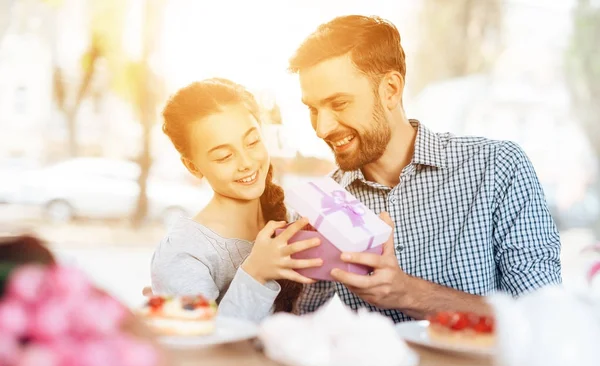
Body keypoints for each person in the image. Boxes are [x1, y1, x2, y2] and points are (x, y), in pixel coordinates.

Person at [289, 15, 562, 323]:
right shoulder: (320, 206)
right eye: (312, 109)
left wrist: (408, 293)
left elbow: (541, 318)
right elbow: (305, 331)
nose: (322, 128)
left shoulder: (498, 168)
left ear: (390, 90)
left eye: (338, 104)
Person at [151, 78, 323, 323]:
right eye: (224, 156)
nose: (246, 163)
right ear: (193, 166)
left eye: (252, 142)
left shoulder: (294, 223)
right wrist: (256, 273)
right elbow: (206, 350)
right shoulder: (184, 253)